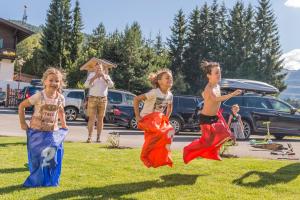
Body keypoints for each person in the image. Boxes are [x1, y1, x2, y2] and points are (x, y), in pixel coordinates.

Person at [183, 61, 242, 163]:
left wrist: (204, 96)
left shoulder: (217, 86)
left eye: (219, 72)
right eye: (216, 73)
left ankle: (213, 153)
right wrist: (232, 94)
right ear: (209, 76)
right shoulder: (209, 88)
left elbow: (209, 98)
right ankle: (188, 150)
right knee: (205, 142)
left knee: (225, 134)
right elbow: (216, 99)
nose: (219, 75)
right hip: (205, 118)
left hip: (215, 117)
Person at [18, 67, 68, 187]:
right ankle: (36, 181)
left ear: (60, 83)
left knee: (51, 159)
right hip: (37, 132)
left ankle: (49, 181)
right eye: (51, 80)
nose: (54, 83)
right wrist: (22, 123)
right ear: (45, 81)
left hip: (53, 133)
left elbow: (61, 112)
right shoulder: (38, 96)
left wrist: (64, 125)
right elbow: (21, 106)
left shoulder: (61, 98)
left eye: (57, 81)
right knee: (36, 159)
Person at [133, 69, 175, 168]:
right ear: (159, 81)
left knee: (170, 132)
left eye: (171, 78)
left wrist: (166, 119)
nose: (170, 79)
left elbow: (170, 107)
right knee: (159, 133)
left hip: (157, 119)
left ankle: (163, 157)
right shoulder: (154, 92)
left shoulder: (170, 95)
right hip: (147, 118)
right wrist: (137, 116)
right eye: (167, 78)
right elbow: (136, 99)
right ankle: (144, 156)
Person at [84, 62, 114, 143]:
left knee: (100, 119)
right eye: (97, 68)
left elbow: (111, 85)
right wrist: (94, 77)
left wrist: (104, 77)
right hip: (92, 98)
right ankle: (89, 137)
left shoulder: (106, 76)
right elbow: (86, 85)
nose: (98, 70)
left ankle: (98, 138)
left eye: (100, 69)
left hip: (103, 99)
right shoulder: (91, 75)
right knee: (91, 118)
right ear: (94, 69)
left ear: (102, 69)